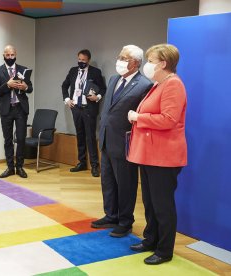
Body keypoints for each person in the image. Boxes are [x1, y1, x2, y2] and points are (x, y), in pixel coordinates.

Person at [127, 44, 187, 265]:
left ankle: (164, 250)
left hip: (164, 157)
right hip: (150, 154)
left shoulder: (173, 84)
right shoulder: (158, 84)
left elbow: (169, 120)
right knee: (150, 203)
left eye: (151, 61)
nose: (147, 65)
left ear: (163, 63)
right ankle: (150, 239)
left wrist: (137, 118)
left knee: (162, 205)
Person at [92, 45, 153, 237]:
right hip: (106, 139)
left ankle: (125, 221)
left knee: (125, 184)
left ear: (135, 62)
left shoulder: (144, 85)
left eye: (124, 57)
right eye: (119, 56)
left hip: (125, 143)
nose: (119, 60)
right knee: (107, 181)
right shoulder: (113, 79)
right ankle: (111, 215)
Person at [61, 49, 106, 177]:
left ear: (88, 60)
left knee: (90, 137)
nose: (81, 62)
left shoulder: (95, 72)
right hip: (76, 108)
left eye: (84, 60)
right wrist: (67, 100)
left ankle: (95, 166)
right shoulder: (73, 71)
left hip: (89, 109)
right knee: (80, 136)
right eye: (79, 59)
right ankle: (81, 162)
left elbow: (103, 88)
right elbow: (64, 86)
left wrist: (97, 97)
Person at [0, 45, 32, 179]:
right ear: (3, 55)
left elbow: (30, 88)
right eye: (7, 55)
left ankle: (20, 167)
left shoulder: (23, 69)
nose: (10, 57)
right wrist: (7, 85)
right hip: (6, 109)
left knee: (21, 139)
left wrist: (26, 86)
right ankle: (10, 167)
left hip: (21, 108)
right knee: (8, 140)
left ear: (16, 55)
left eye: (12, 55)